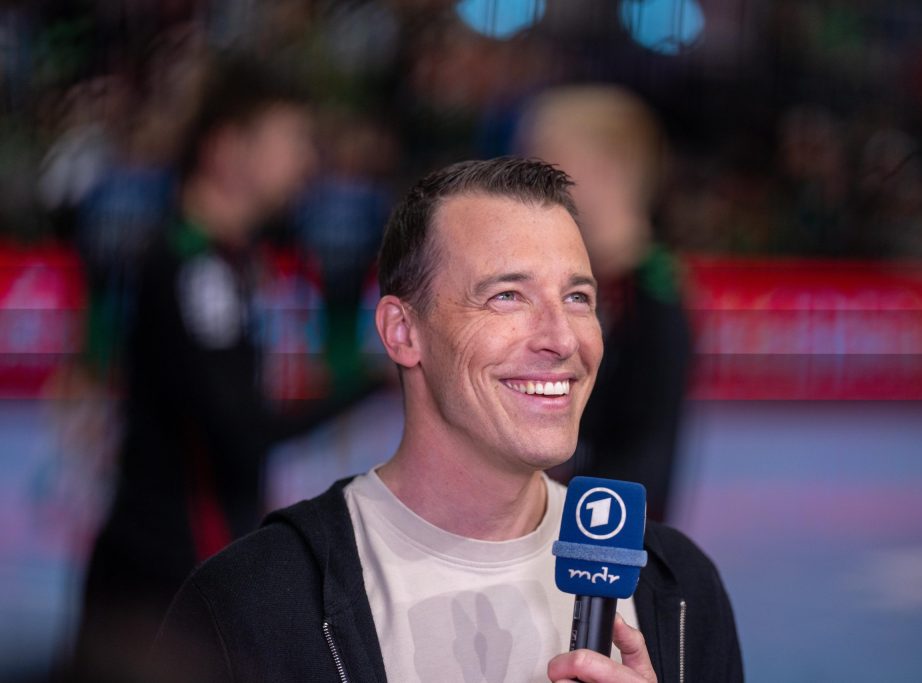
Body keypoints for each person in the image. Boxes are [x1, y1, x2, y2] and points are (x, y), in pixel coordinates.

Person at [152, 157, 742, 682]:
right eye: (507, 296)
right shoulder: (248, 603)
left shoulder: (680, 591)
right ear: (402, 332)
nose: (563, 339)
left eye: (578, 298)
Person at [69, 58, 365, 682]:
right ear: (228, 148)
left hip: (173, 567)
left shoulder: (222, 263)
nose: (305, 161)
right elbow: (240, 431)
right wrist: (371, 380)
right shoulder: (194, 270)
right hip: (168, 580)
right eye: (289, 139)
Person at [518, 85, 693, 522]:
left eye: (545, 165)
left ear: (605, 169)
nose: (525, 187)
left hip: (601, 541)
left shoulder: (650, 294)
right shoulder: (589, 283)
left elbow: (643, 459)